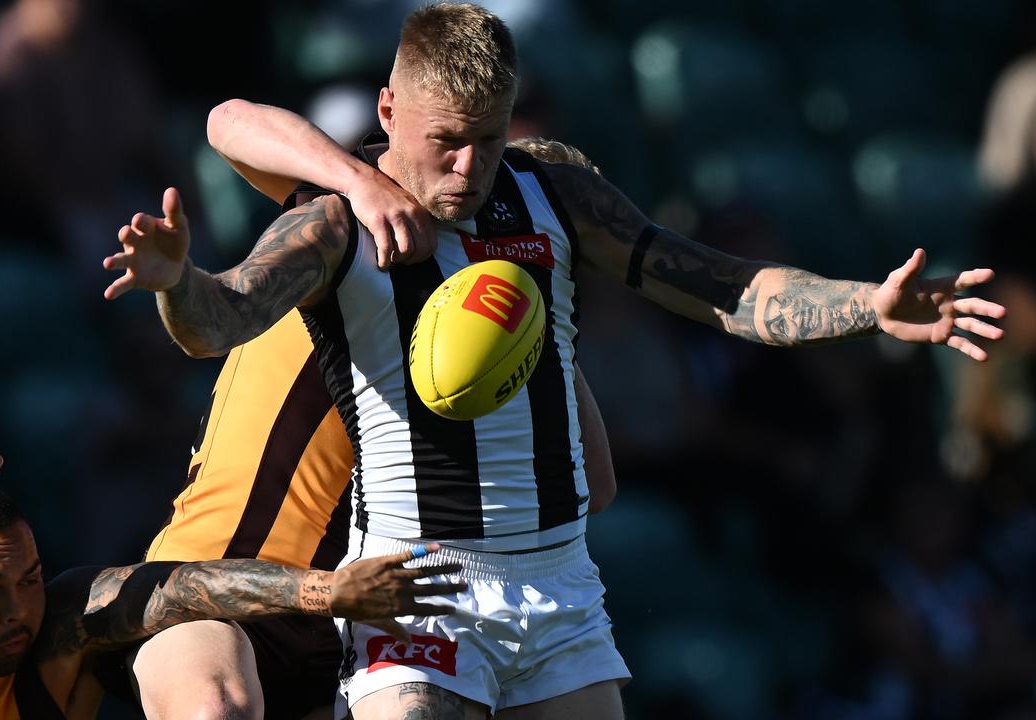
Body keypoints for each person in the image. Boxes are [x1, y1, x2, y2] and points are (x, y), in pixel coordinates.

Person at [103, 4, 1006, 717]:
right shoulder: (340, 220)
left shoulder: (554, 202)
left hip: (549, 582)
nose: (467, 167)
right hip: (400, 578)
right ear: (389, 115)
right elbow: (220, 313)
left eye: (488, 140)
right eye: (444, 141)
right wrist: (180, 280)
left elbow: (720, 288)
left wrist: (866, 306)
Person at [114, 137, 618, 720]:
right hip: (211, 587)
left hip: (345, 611)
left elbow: (596, 486)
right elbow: (228, 121)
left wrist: (541, 335)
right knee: (213, 707)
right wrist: (358, 181)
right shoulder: (352, 234)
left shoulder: (489, 323)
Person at [0, 436, 464, 719]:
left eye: (28, 580)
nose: (16, 612)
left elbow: (174, 588)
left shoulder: (57, 630)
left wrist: (323, 592)